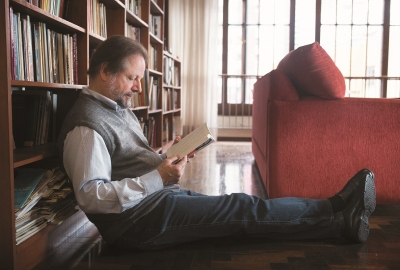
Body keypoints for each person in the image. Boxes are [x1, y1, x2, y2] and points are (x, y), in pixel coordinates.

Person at [58, 35, 376, 250]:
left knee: (237, 212)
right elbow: (91, 196)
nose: (139, 89)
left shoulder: (115, 106)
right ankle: (336, 213)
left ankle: (337, 216)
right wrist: (159, 177)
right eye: (132, 78)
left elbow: (126, 162)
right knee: (240, 210)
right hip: (136, 225)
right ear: (104, 71)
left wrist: (169, 157)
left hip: (152, 205)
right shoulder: (87, 127)